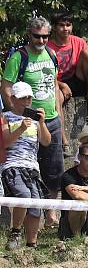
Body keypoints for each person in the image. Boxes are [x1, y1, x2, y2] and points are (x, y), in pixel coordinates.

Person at [2, 16, 64, 227]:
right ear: (30, 34)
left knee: (54, 170)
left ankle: (51, 214)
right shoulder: (18, 57)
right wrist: (17, 116)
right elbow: (7, 88)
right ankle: (21, 222)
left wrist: (60, 119)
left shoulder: (52, 54)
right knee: (24, 168)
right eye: (38, 36)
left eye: (46, 36)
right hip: (27, 120)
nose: (42, 41)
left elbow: (55, 87)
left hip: (50, 118)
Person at [1, 82, 51, 250]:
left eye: (29, 97)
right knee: (23, 195)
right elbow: (5, 142)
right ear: (13, 99)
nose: (27, 101)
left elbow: (46, 141)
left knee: (36, 203)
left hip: (32, 167)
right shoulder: (5, 117)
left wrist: (42, 123)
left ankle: (31, 244)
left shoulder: (35, 120)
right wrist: (21, 128)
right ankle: (15, 233)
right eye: (23, 98)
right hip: (12, 164)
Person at [47, 12, 88, 103]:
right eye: (61, 25)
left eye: (68, 25)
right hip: (58, 85)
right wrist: (61, 85)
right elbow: (45, 76)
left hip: (78, 79)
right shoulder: (47, 47)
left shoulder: (79, 41)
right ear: (54, 27)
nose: (65, 28)